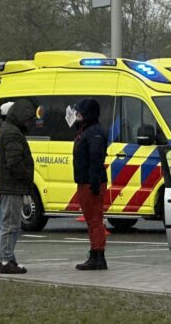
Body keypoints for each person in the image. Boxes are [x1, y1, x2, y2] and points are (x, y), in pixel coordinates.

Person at [0, 99, 36, 275]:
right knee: (11, 225)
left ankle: (5, 258)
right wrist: (26, 177)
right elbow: (14, 161)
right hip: (11, 185)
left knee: (7, 224)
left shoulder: (4, 130)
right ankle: (6, 260)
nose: (29, 123)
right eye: (28, 120)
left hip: (4, 184)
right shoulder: (13, 133)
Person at [72, 98, 109, 270]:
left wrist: (94, 181)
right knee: (91, 219)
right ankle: (95, 253)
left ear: (87, 114)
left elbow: (96, 157)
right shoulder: (87, 130)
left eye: (80, 113)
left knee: (95, 220)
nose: (77, 116)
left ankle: (98, 255)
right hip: (85, 180)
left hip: (91, 181)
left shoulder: (94, 132)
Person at [0, 102, 21, 272]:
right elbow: (13, 160)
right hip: (4, 184)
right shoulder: (7, 133)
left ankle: (6, 258)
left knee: (3, 224)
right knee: (6, 225)